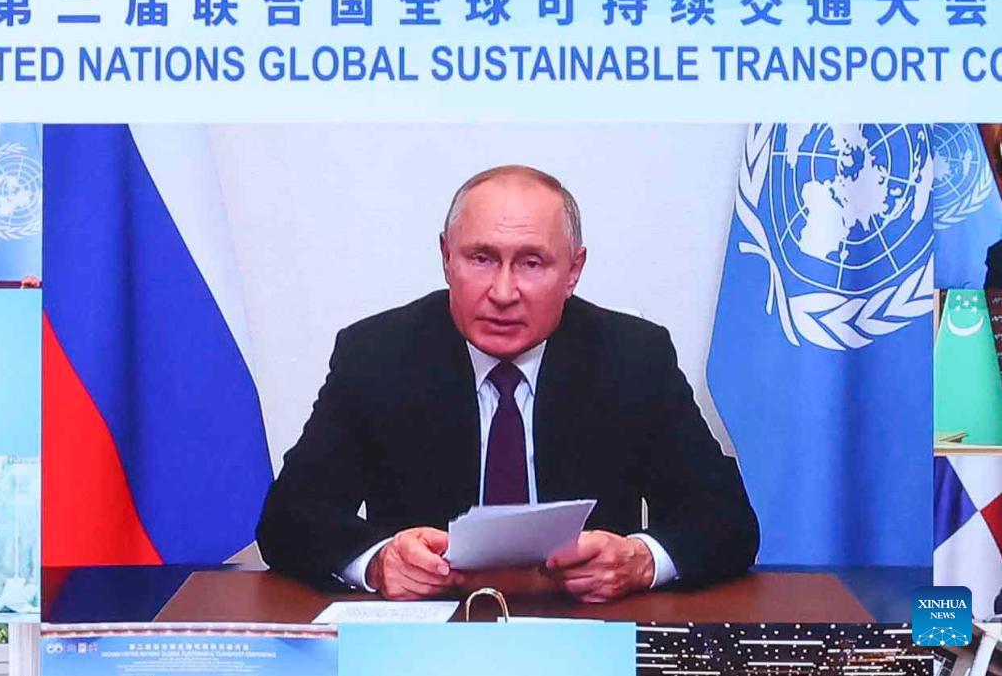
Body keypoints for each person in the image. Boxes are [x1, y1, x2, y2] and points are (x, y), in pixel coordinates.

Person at [257, 165, 759, 602]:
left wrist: (642, 560)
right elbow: (290, 517)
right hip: (427, 638)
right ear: (446, 257)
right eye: (481, 258)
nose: (502, 292)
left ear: (573, 270)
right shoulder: (376, 355)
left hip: (586, 633)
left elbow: (727, 521)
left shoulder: (633, 357)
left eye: (531, 262)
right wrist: (376, 561)